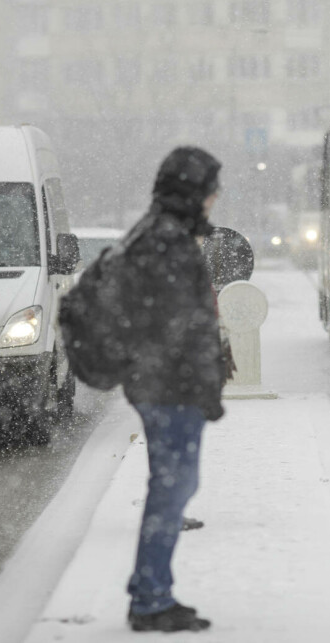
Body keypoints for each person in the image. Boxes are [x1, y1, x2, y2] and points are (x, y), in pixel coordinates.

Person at [121, 146, 226, 633]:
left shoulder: (162, 233)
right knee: (172, 487)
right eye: (209, 189)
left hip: (165, 383)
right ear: (192, 192)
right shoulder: (166, 241)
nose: (215, 198)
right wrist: (197, 383)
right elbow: (170, 325)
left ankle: (150, 591)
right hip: (168, 387)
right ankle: (149, 599)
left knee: (175, 484)